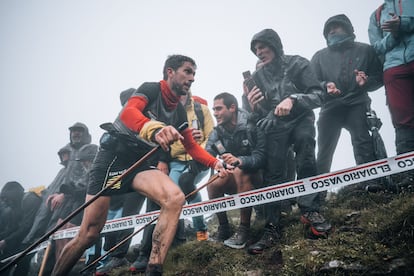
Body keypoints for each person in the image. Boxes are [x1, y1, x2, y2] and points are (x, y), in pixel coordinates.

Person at [51, 54, 229, 276]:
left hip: (140, 165)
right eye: (187, 71)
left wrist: (216, 163)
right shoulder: (151, 89)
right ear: (170, 72)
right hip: (113, 160)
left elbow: (192, 147)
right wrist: (154, 128)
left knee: (175, 198)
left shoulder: (180, 111)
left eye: (194, 73)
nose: (192, 78)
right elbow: (128, 113)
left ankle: (154, 268)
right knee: (89, 234)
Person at [245, 28, 332, 255]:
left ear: (274, 44)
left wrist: (294, 98)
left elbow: (319, 94)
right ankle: (272, 226)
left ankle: (310, 209)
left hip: (301, 118)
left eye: (262, 46)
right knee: (273, 173)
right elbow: (255, 116)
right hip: (275, 126)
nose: (259, 52)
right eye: (255, 49)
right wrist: (253, 108)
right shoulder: (257, 77)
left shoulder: (297, 63)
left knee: (305, 149)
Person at [310, 14, 384, 191]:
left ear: (348, 28)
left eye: (336, 27)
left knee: (362, 141)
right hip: (329, 107)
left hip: (357, 103)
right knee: (324, 150)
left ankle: (371, 183)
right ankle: (317, 192)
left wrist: (366, 82)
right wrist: (325, 87)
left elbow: (380, 76)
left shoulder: (366, 50)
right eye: (328, 29)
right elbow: (310, 84)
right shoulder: (319, 57)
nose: (332, 31)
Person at [206, 92, 265, 249]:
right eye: (214, 109)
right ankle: (224, 228)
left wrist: (240, 160)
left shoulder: (250, 124)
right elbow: (207, 155)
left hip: (259, 176)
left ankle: (244, 230)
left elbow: (260, 157)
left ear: (232, 107)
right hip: (235, 177)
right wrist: (217, 163)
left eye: (218, 109)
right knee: (212, 183)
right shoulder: (217, 131)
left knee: (240, 171)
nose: (215, 113)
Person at [368, 1, 414, 188]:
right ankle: (409, 176)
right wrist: (394, 35)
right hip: (394, 69)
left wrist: (402, 24)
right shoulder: (377, 14)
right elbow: (377, 47)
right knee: (402, 120)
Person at [0, 182, 43, 276]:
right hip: (23, 238)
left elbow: (26, 227)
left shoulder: (30, 199)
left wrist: (6, 241)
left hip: (34, 238)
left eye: (6, 198)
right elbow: (13, 228)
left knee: (22, 263)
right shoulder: (13, 207)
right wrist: (3, 238)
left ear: (13, 195)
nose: (4, 202)